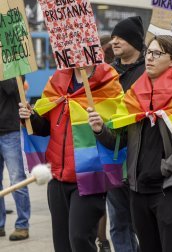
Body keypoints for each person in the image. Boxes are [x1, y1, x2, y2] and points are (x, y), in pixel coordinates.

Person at [88, 35, 172, 252]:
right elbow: (120, 141)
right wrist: (100, 130)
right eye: (149, 52)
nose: (150, 58)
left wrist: (168, 167)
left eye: (157, 53)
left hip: (169, 191)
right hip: (137, 190)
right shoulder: (135, 95)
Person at [19, 64, 123, 252]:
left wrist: (100, 129)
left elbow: (119, 138)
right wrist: (31, 116)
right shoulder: (57, 81)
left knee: (80, 239)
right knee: (62, 244)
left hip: (90, 177)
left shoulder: (108, 82)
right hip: (57, 177)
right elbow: (45, 128)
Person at [104, 16, 145, 252]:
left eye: (120, 37)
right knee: (118, 222)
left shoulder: (149, 71)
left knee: (141, 223)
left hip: (141, 158)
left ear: (134, 41)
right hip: (113, 154)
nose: (114, 41)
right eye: (113, 37)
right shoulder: (108, 73)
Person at [0, 78, 31, 241]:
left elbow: (13, 88)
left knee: (17, 180)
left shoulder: (11, 61)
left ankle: (22, 225)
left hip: (9, 131)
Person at [95, 34, 116, 252]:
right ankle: (102, 239)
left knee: (107, 197)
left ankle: (102, 240)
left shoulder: (106, 76)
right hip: (104, 142)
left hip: (106, 142)